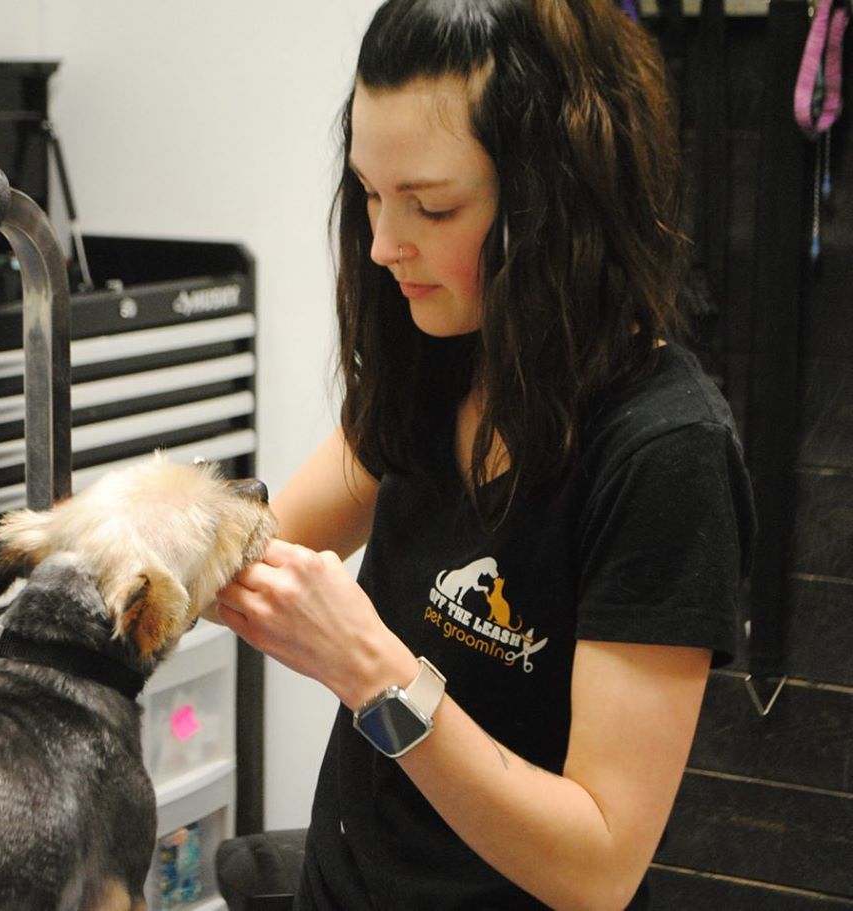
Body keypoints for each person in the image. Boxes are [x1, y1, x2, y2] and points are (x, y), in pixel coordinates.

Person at [215, 1, 756, 908]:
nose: (385, 245)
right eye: (370, 195)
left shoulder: (666, 453)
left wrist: (373, 674)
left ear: (554, 202)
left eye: (431, 205)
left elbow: (598, 866)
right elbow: (258, 542)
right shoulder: (433, 356)